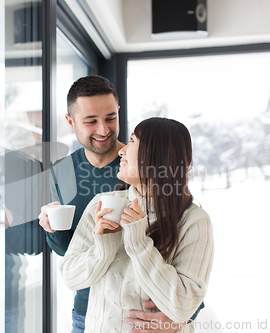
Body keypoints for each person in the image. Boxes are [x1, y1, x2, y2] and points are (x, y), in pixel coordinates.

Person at [38, 76, 204, 333]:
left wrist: (181, 318)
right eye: (91, 121)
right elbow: (69, 253)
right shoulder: (62, 172)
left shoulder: (142, 165)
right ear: (70, 122)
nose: (104, 130)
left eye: (110, 118)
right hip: (90, 311)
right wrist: (52, 229)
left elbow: (188, 259)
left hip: (150, 319)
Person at [59, 117, 214, 333]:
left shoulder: (194, 221)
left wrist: (139, 243)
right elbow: (70, 277)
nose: (121, 151)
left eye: (132, 141)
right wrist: (103, 247)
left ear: (157, 155)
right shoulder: (103, 204)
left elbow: (184, 306)